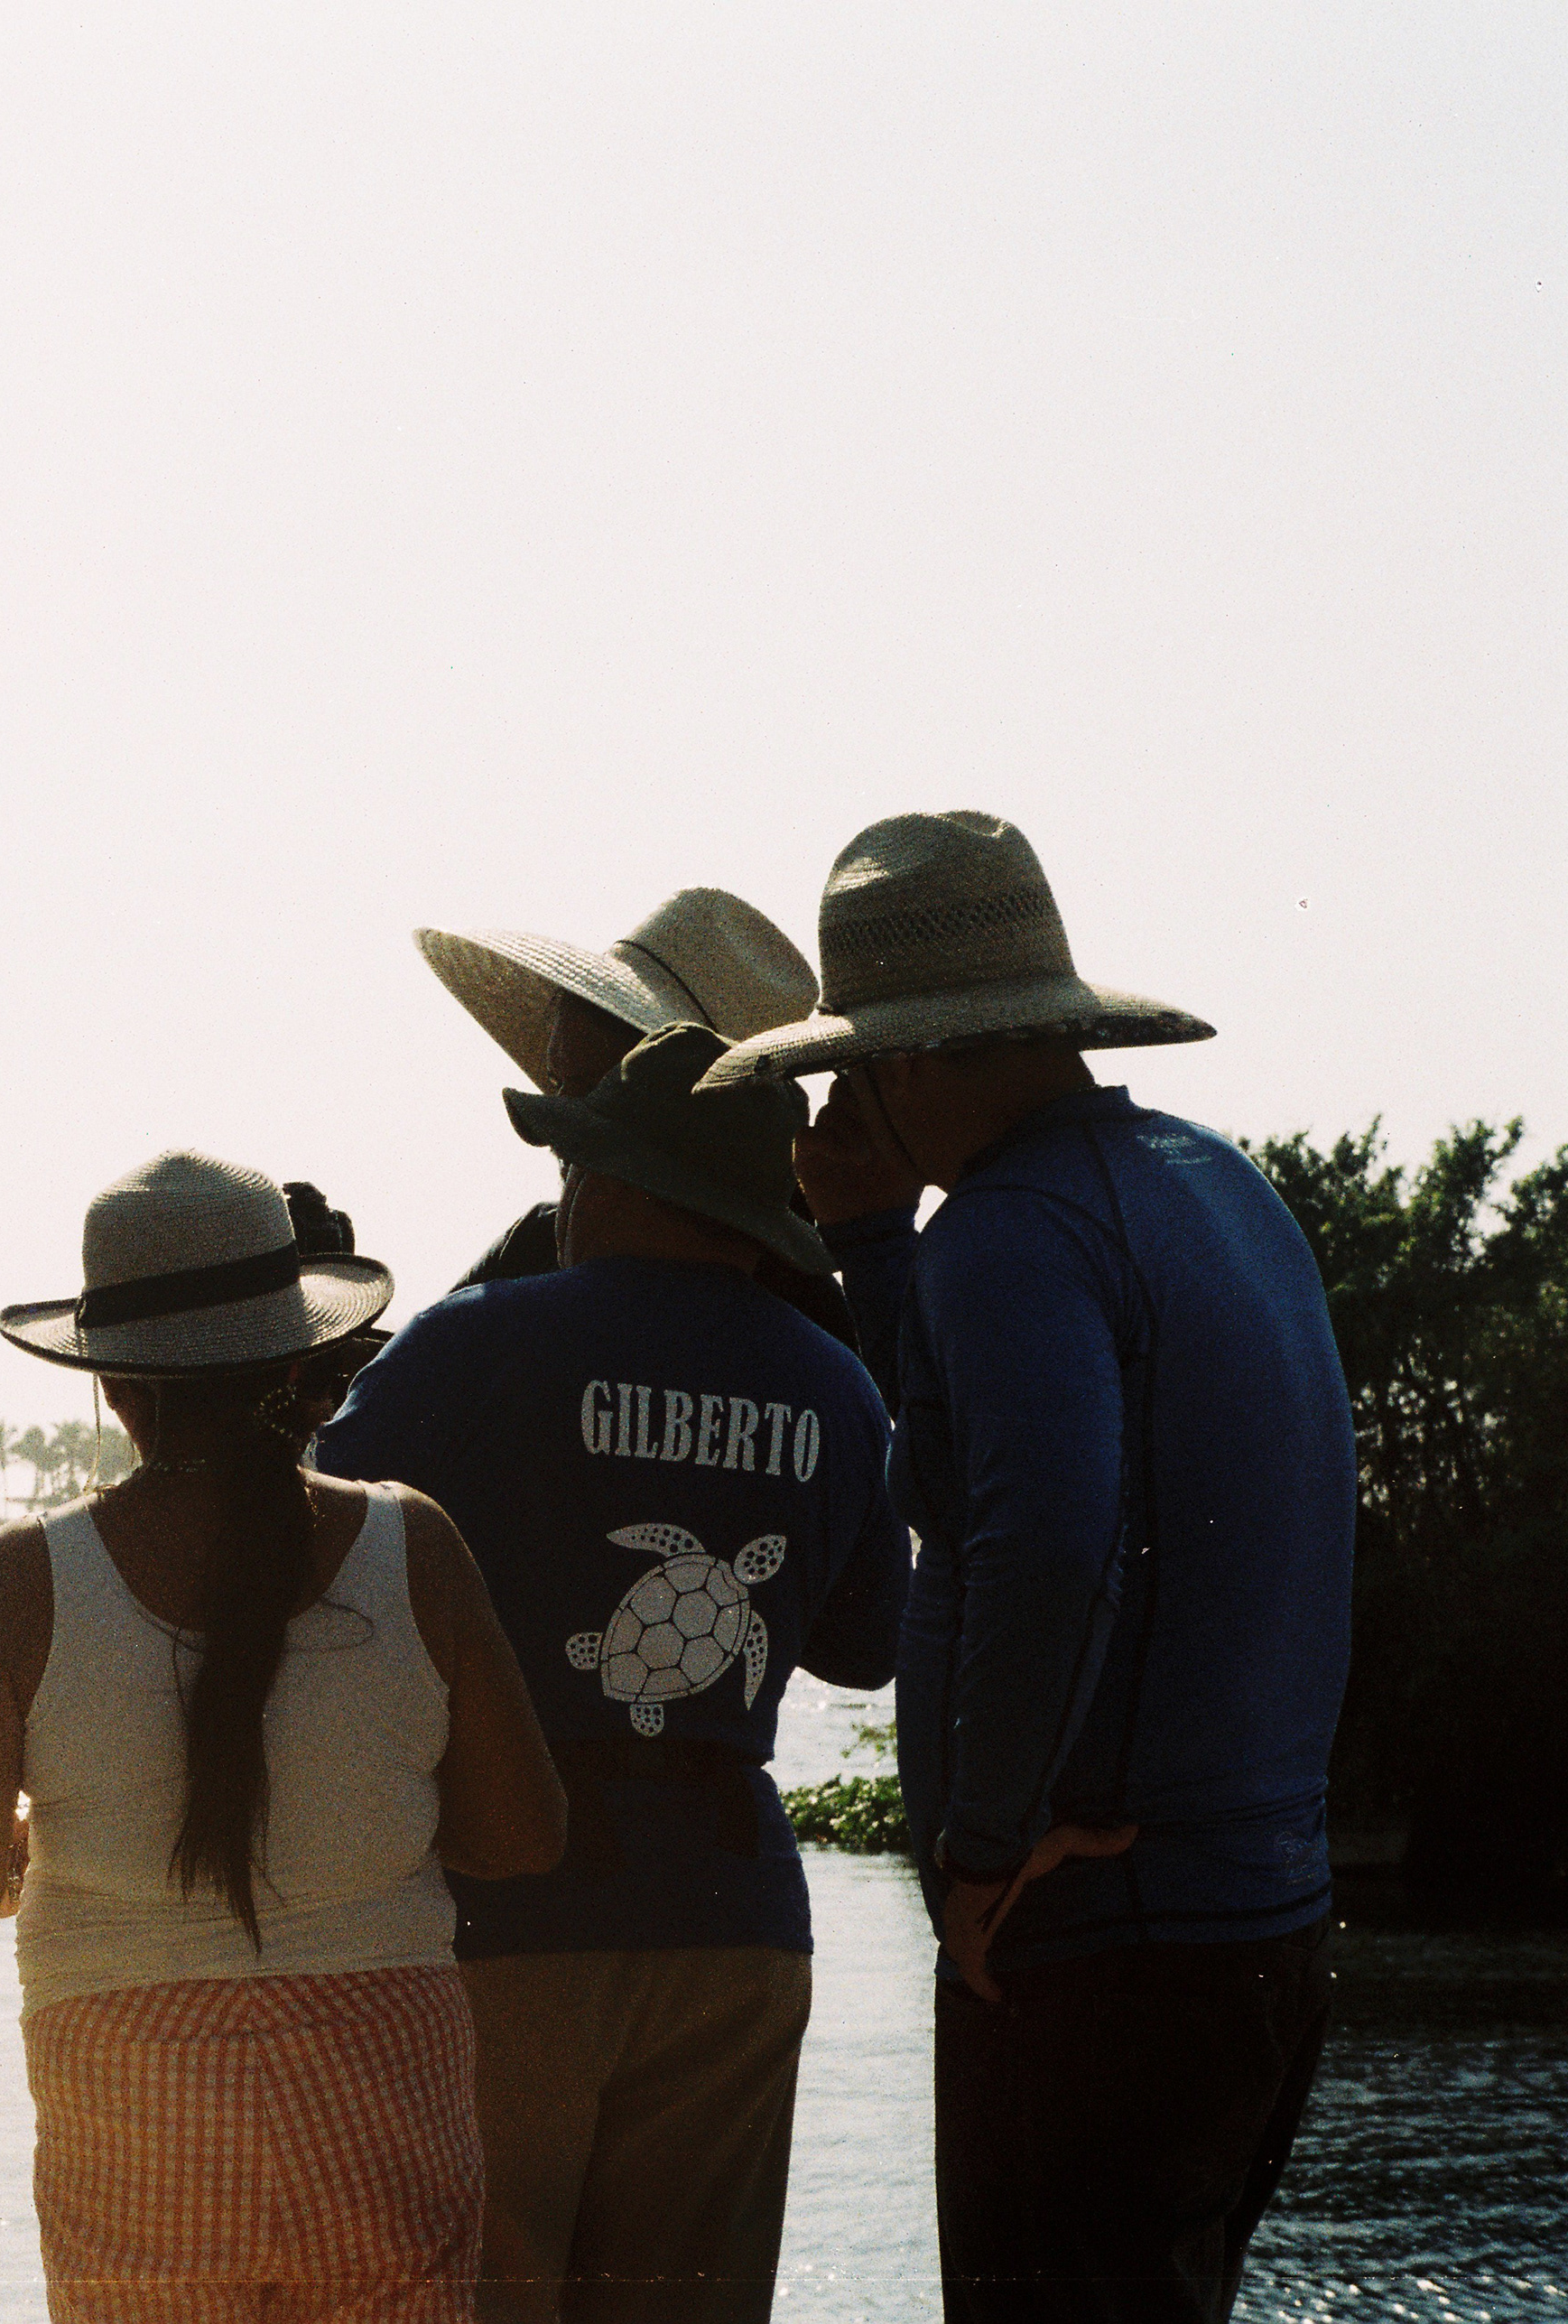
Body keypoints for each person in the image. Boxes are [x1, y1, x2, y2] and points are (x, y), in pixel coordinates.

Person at [705, 811, 1354, 2322]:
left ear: (911, 1058)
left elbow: (1040, 1533)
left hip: (1092, 1951)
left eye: (852, 1068)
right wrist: (873, 1240)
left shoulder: (1006, 1232)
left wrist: (985, 1846)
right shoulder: (1214, 1185)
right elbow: (948, 1476)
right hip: (1258, 1925)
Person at [0, 1151, 567, 2320]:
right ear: (304, 1365)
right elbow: (523, 1838)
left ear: (116, 1386)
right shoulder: (417, 1548)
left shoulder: (20, 1584)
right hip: (382, 2092)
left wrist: (4, 1855)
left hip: (133, 2106)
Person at [318, 1025, 906, 2322]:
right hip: (738, 1917)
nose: (564, 1194)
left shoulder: (477, 1343)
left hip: (512, 1906)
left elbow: (301, 1536)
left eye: (579, 1164)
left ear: (622, 1181)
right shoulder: (842, 1386)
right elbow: (869, 1649)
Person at [413, 892, 851, 1343]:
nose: (560, 1130)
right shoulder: (532, 1248)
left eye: (596, 1092)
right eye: (559, 1085)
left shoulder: (809, 1317)